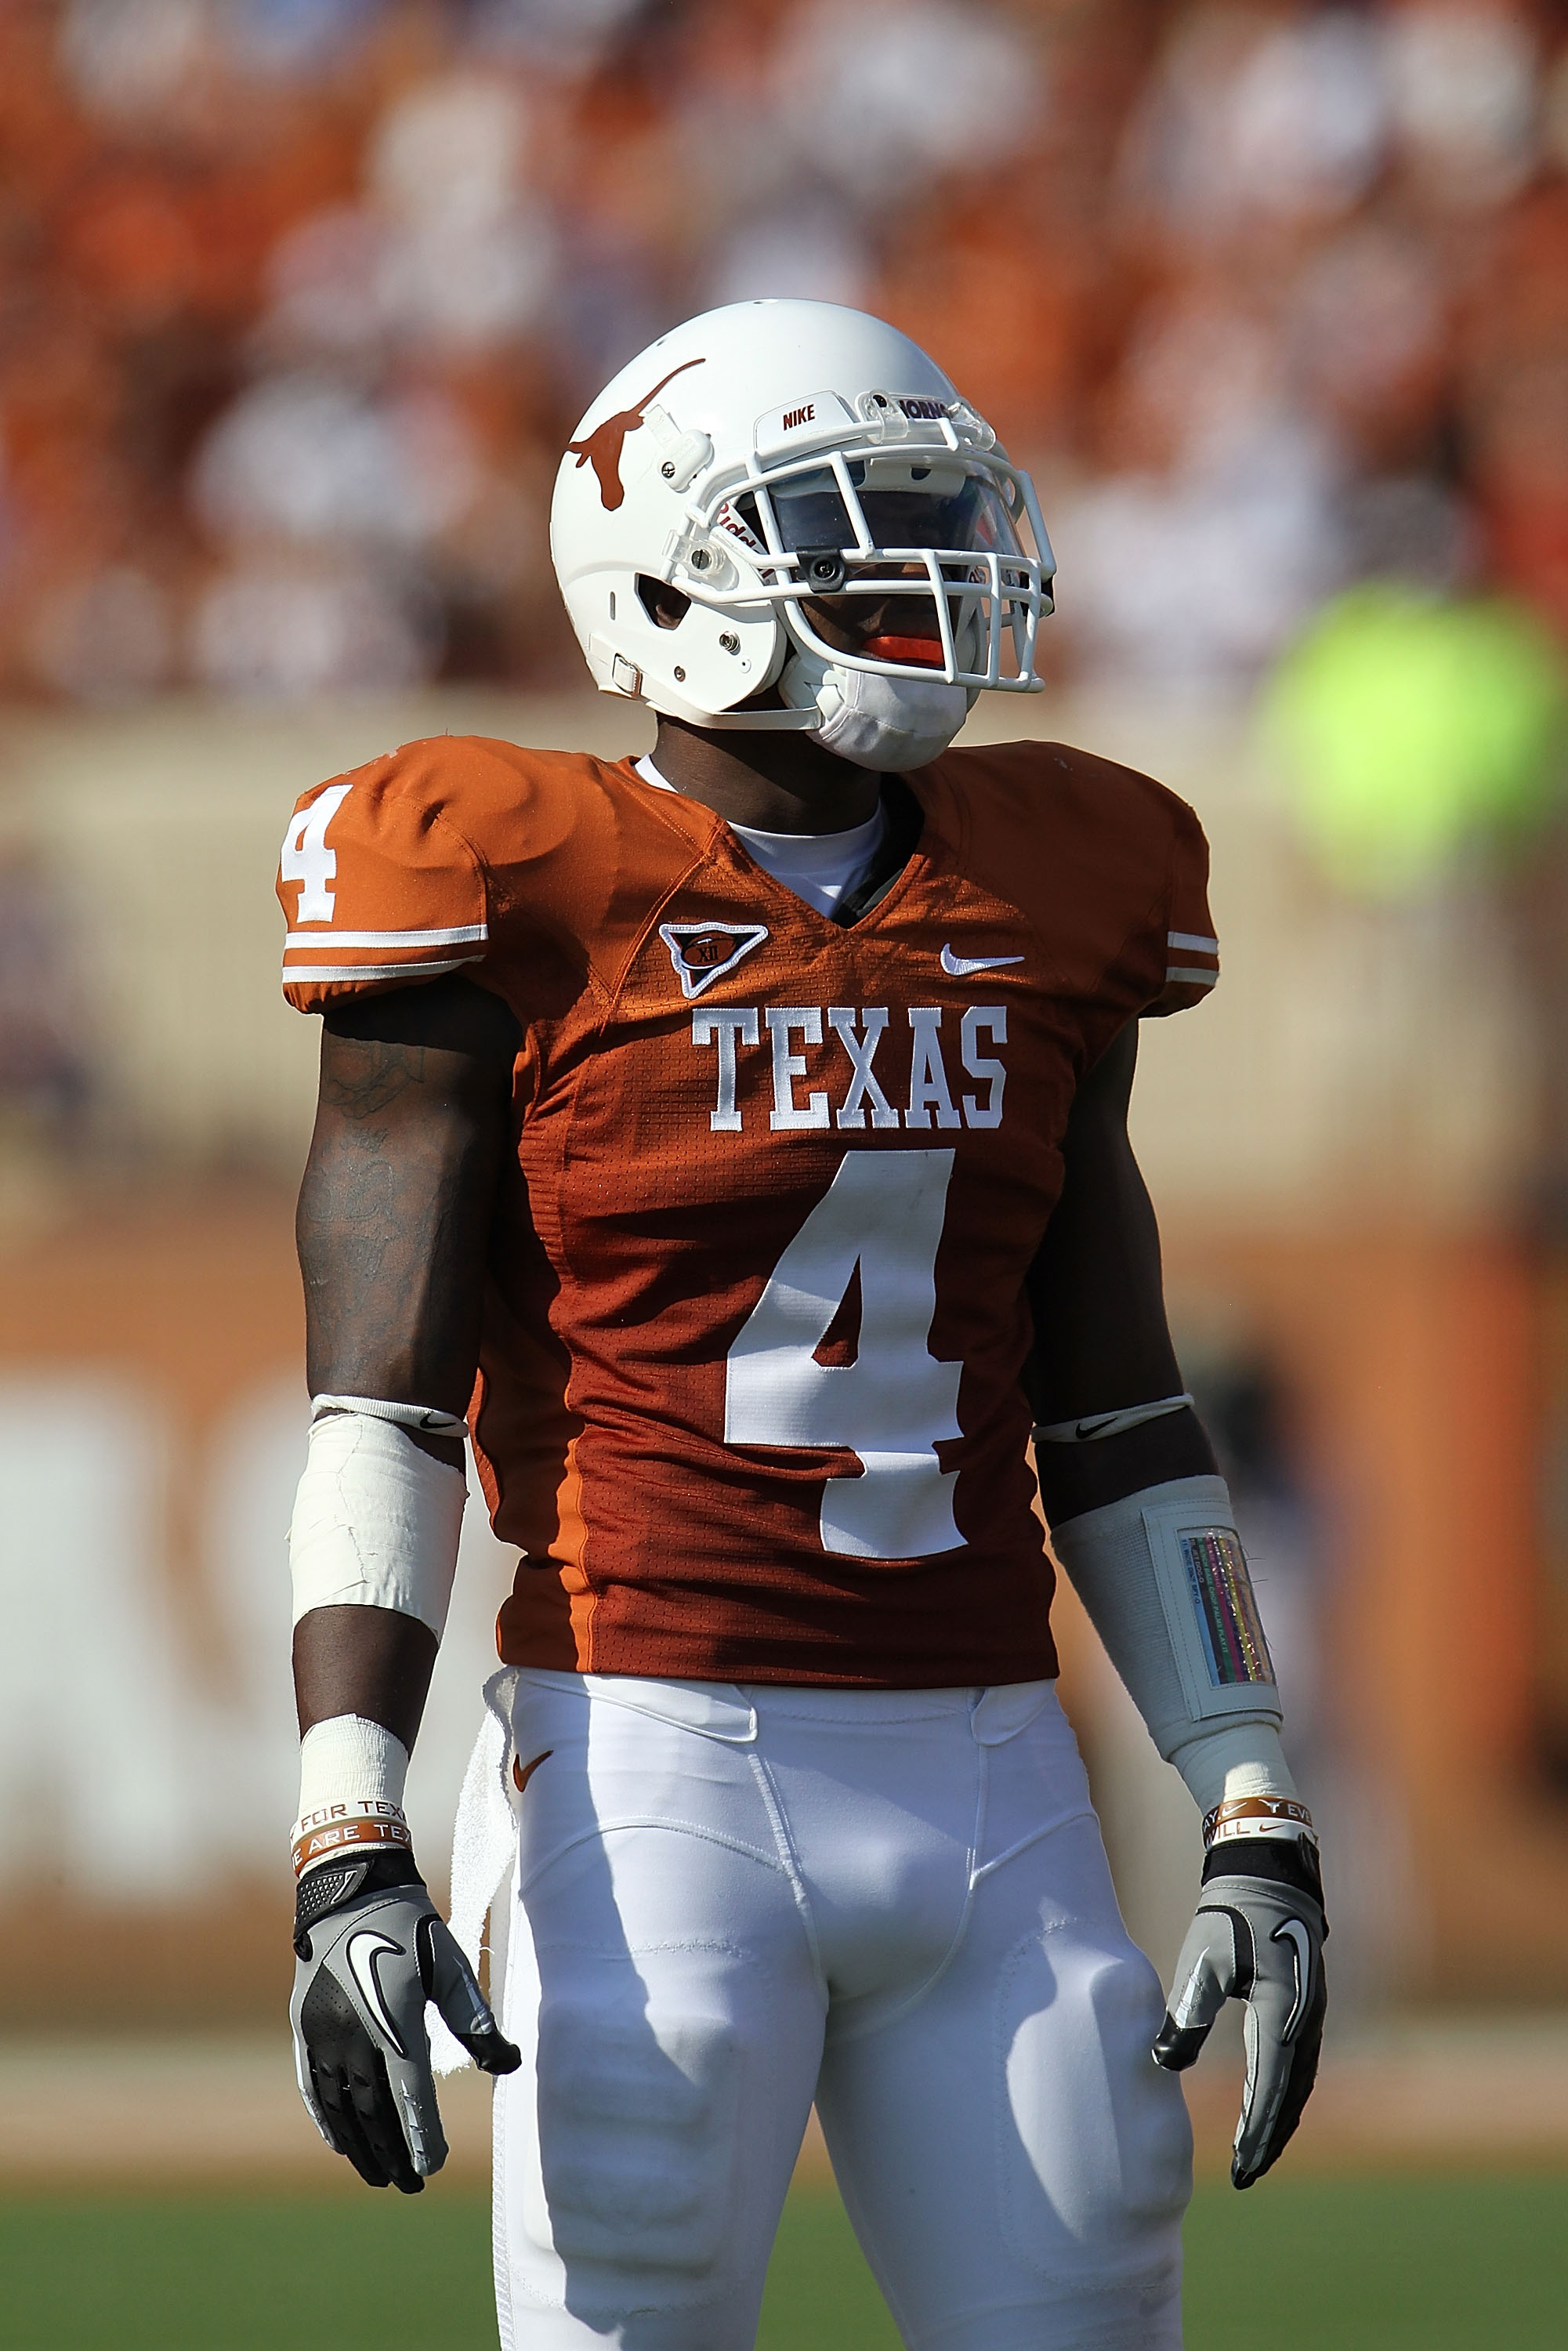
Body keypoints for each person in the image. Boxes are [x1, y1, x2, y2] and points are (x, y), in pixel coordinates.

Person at [278, 299, 1327, 2351]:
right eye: (852, 530)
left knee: (1095, 2288)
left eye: (938, 520)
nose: (921, 581)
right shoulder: (507, 874)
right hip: (646, 1752)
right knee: (637, 2293)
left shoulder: (1056, 881)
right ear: (665, 575)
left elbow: (1114, 1410)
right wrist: (346, 1823)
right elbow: (378, 1407)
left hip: (996, 1754)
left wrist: (1248, 1791)